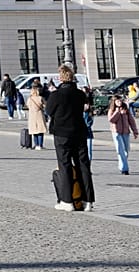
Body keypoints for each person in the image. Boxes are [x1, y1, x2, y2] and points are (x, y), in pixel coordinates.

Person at [45, 65, 95, 211]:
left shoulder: (56, 95)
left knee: (65, 164)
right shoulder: (80, 94)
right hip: (79, 132)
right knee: (83, 165)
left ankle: (67, 201)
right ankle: (88, 200)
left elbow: (49, 111)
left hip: (62, 134)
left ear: (60, 78)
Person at [107, 94, 138, 175]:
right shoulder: (112, 110)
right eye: (117, 101)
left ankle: (122, 165)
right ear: (114, 102)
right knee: (120, 150)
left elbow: (131, 120)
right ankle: (125, 169)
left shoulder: (125, 109)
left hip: (125, 132)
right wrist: (117, 112)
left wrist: (135, 131)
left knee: (126, 150)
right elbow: (111, 120)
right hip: (116, 132)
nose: (119, 102)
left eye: (120, 100)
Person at [26, 85, 47, 150]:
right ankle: (40, 145)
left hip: (32, 115)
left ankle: (36, 145)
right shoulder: (40, 98)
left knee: (34, 131)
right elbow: (45, 105)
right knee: (40, 131)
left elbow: (28, 106)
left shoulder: (30, 99)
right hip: (39, 114)